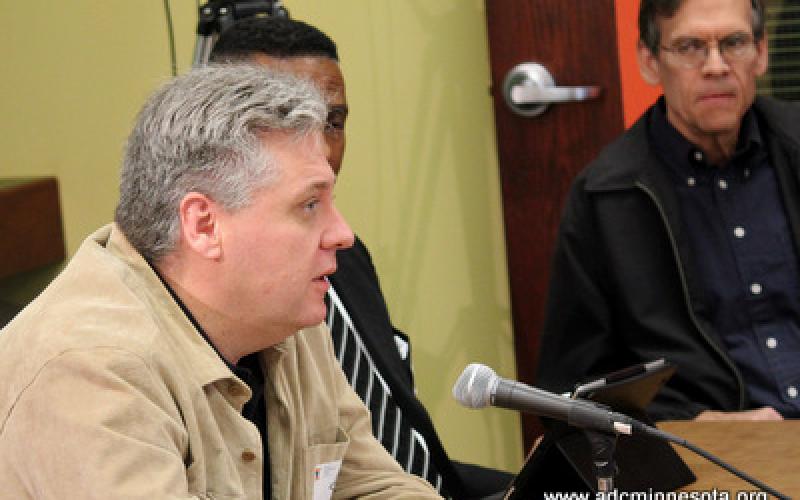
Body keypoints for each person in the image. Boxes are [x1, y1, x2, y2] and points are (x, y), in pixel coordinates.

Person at [0, 64, 442, 499]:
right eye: (309, 205)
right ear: (204, 226)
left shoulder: (281, 317)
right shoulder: (92, 373)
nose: (342, 233)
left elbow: (369, 485)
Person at [210, 17, 513, 499]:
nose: (323, 152)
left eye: (333, 123)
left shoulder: (345, 255)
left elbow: (395, 445)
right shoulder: (222, 292)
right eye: (293, 126)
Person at [537, 0, 800, 422]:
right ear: (650, 62)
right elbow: (573, 389)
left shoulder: (794, 149)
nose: (716, 66)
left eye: (734, 42)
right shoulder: (608, 197)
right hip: (719, 457)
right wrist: (698, 424)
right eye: (690, 47)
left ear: (762, 52)